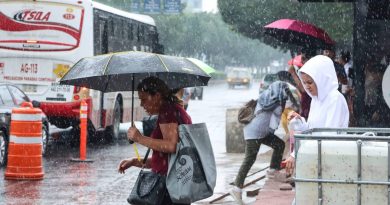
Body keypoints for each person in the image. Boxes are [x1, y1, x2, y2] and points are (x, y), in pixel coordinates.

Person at [117, 77, 192, 205]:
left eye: (144, 99)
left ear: (157, 96)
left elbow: (171, 146)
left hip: (168, 188)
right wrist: (135, 161)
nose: (141, 104)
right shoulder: (173, 110)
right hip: (175, 185)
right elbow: (166, 160)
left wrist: (139, 138)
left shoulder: (168, 112)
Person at [229, 81, 298, 205]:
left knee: (279, 145)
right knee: (249, 159)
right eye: (285, 92)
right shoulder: (274, 101)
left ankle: (273, 171)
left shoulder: (268, 97)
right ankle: (236, 189)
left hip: (260, 132)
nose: (285, 95)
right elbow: (277, 116)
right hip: (255, 133)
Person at [284, 55, 350, 175]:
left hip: (330, 159)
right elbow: (311, 130)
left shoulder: (334, 99)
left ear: (322, 79)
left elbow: (328, 136)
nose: (307, 86)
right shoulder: (316, 99)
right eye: (304, 83)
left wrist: (296, 154)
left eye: (310, 82)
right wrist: (299, 121)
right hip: (317, 156)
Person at [288, 53, 312, 120]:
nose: (300, 63)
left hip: (309, 107)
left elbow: (304, 89)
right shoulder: (302, 71)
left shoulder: (310, 72)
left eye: (303, 60)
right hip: (305, 107)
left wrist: (293, 73)